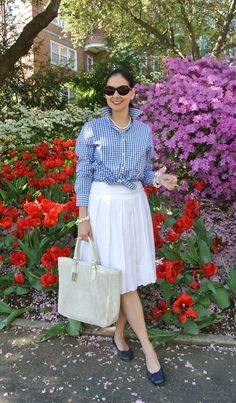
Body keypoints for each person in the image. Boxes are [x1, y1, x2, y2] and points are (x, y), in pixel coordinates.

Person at [74, 68, 178, 386]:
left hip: (133, 206)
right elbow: (83, 173)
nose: (115, 95)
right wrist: (83, 217)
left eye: (122, 89)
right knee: (125, 283)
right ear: (104, 94)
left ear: (133, 92)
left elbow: (145, 172)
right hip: (104, 206)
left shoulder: (144, 132)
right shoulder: (92, 129)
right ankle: (149, 350)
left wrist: (160, 179)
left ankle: (119, 333)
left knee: (125, 277)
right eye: (109, 90)